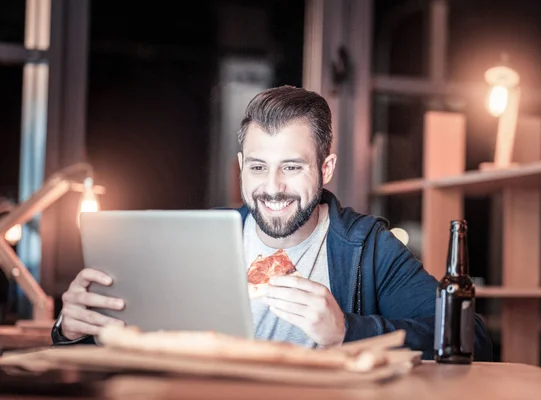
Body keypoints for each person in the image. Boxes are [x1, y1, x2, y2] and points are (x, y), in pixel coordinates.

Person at [51, 85, 493, 360]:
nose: (273, 187)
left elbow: (468, 336)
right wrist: (71, 330)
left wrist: (347, 331)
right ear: (241, 167)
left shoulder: (365, 245)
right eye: (259, 167)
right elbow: (128, 342)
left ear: (327, 168)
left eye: (293, 167)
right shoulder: (195, 237)